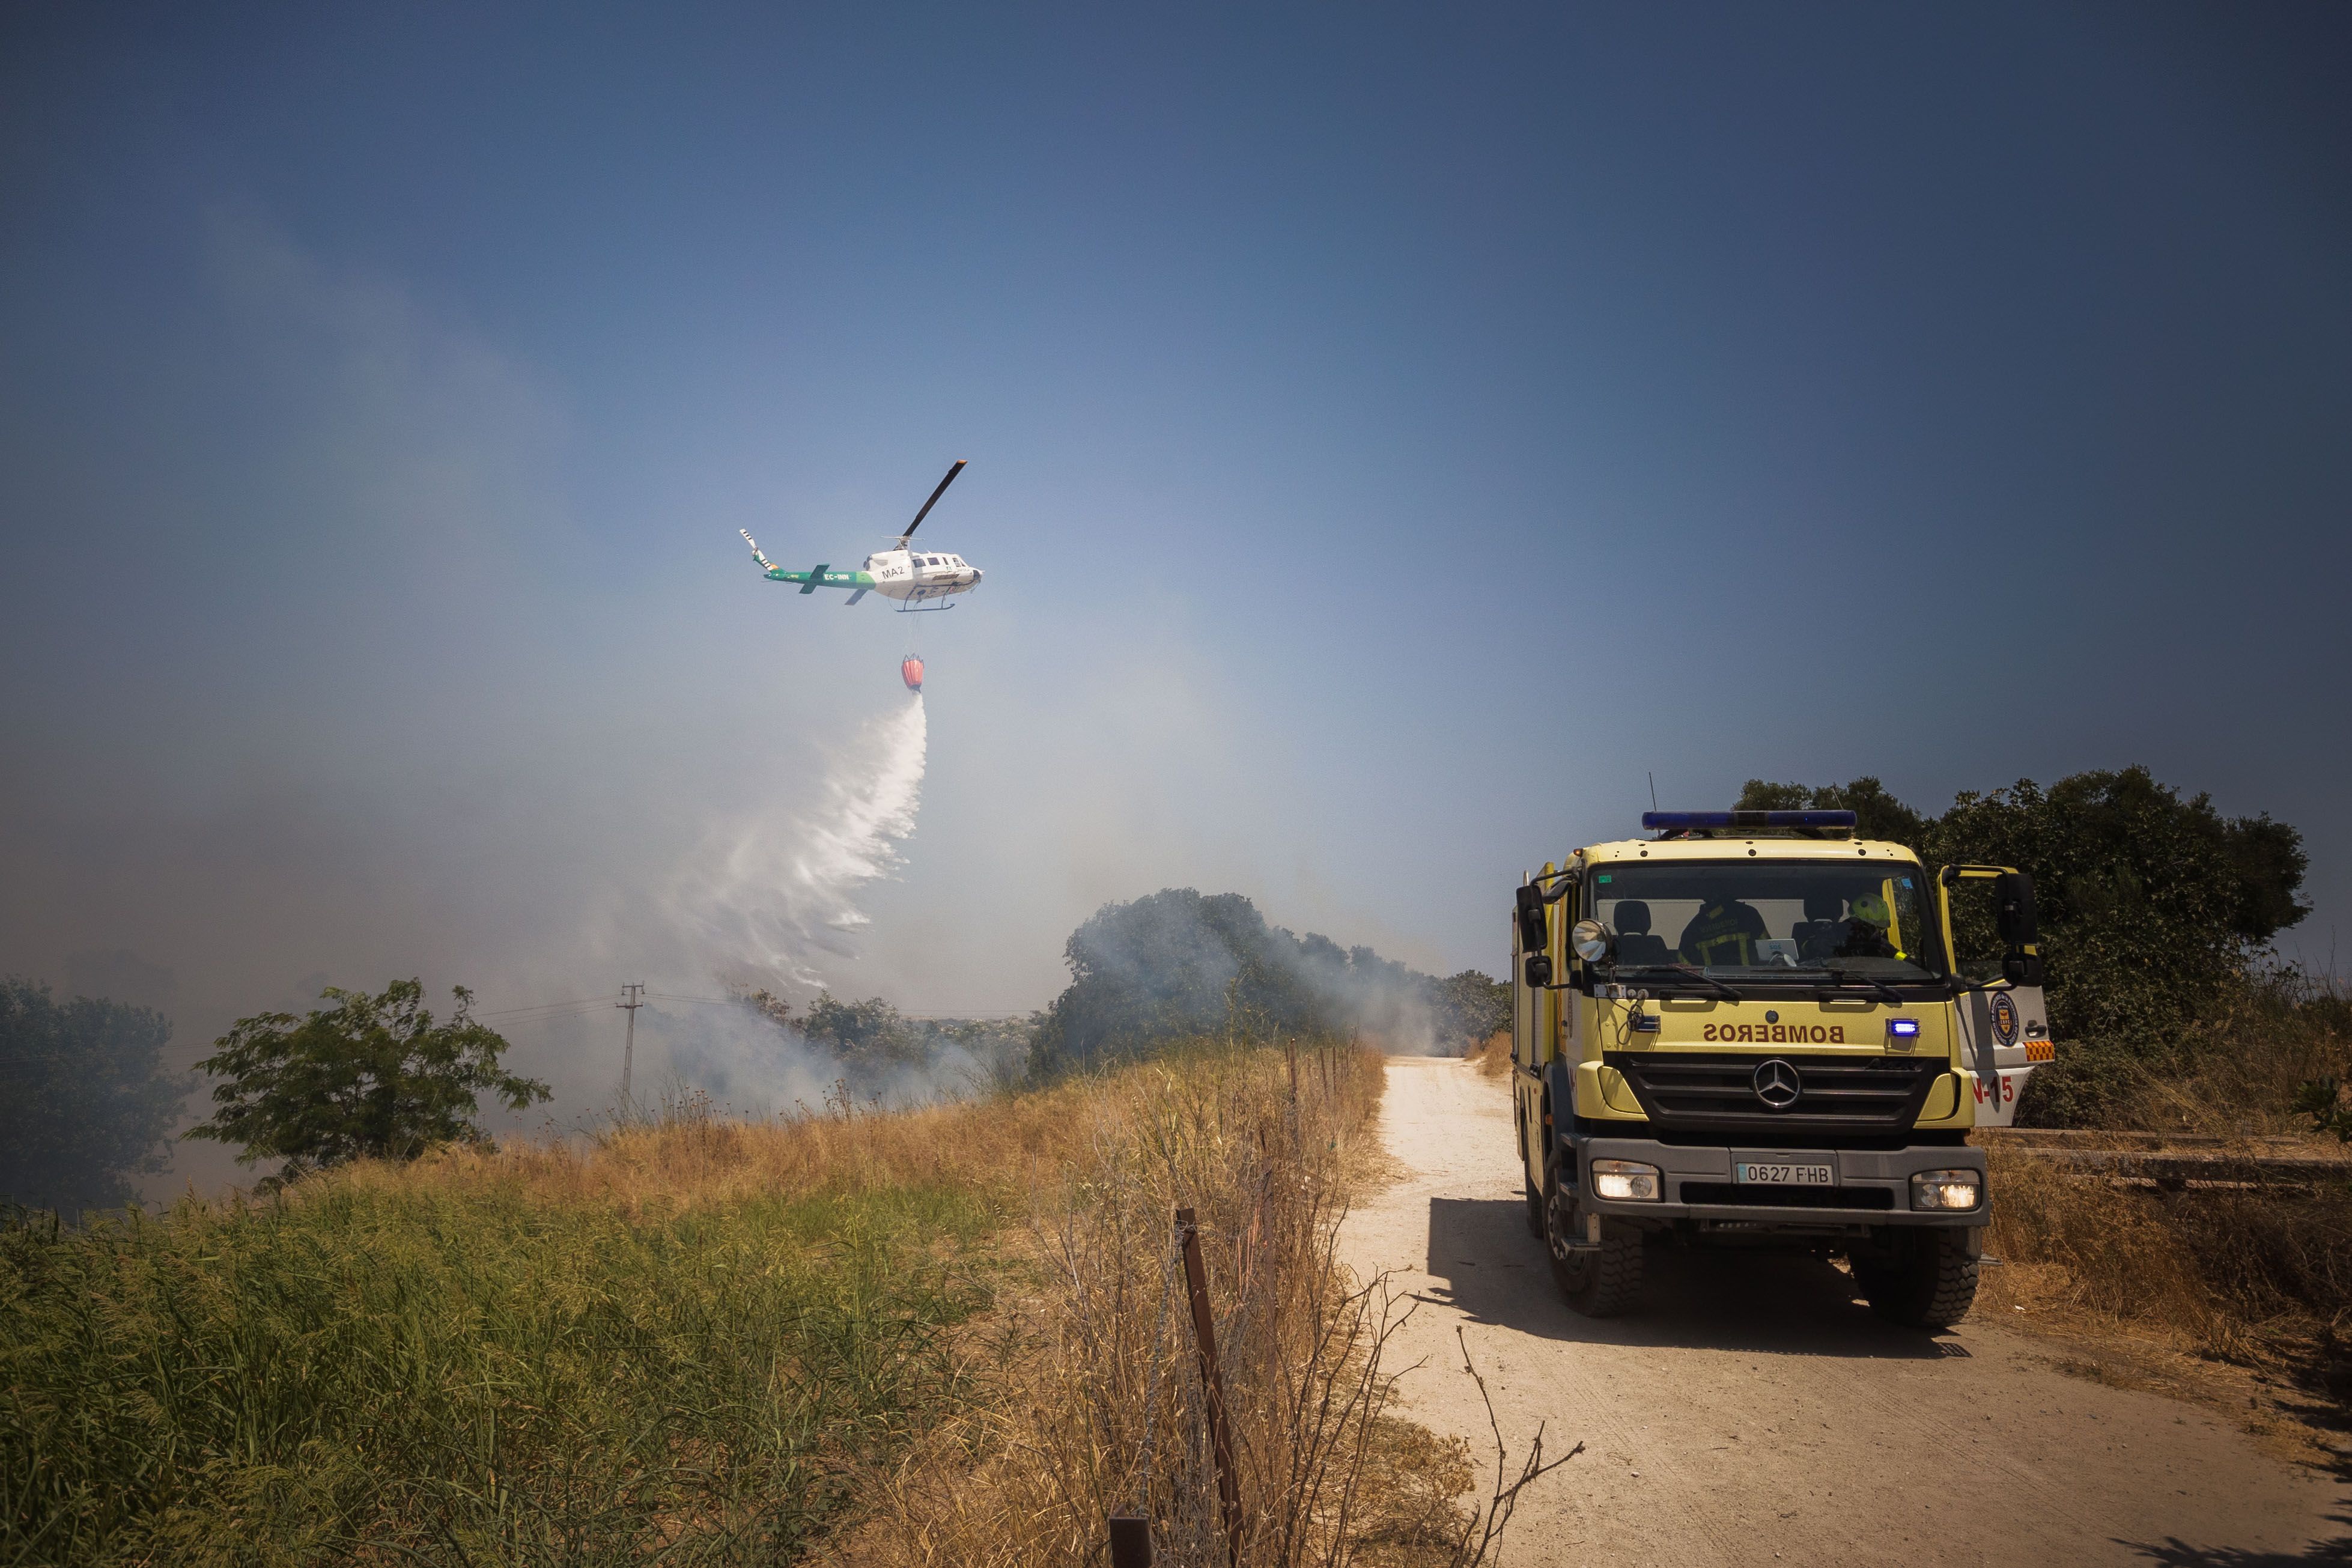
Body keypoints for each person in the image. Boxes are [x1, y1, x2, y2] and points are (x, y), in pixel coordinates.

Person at [1677, 896, 1770, 967]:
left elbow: (1770, 955)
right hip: (1751, 988)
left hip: (1712, 990)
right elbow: (1770, 954)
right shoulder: (1749, 915)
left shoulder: (1692, 930)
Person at [1835, 890, 1898, 959]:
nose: (1878, 932)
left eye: (1880, 928)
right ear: (1856, 921)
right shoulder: (1835, 937)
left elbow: (1901, 957)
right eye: (1874, 927)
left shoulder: (1881, 944)